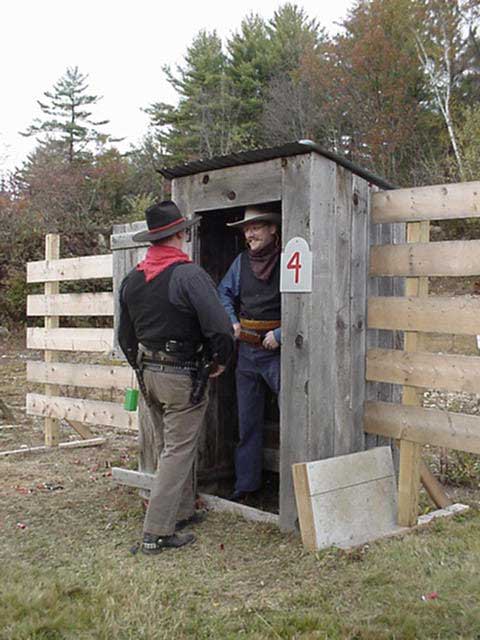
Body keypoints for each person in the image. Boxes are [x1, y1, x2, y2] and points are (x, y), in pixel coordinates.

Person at [118, 200, 234, 554]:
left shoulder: (133, 278)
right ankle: (156, 532)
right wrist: (220, 361)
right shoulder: (189, 275)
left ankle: (180, 512)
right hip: (182, 375)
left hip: (148, 372)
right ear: (181, 234)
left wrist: (140, 367)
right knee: (178, 451)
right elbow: (220, 329)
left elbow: (124, 336)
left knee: (170, 448)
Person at [218, 205, 281, 502]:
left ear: (273, 229)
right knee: (248, 421)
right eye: (246, 228)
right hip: (247, 351)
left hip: (280, 354)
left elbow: (307, 300)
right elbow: (223, 294)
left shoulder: (289, 260)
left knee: (294, 418)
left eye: (256, 226)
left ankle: (295, 490)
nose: (249, 233)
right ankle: (247, 485)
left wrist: (281, 334)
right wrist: (232, 319)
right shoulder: (240, 262)